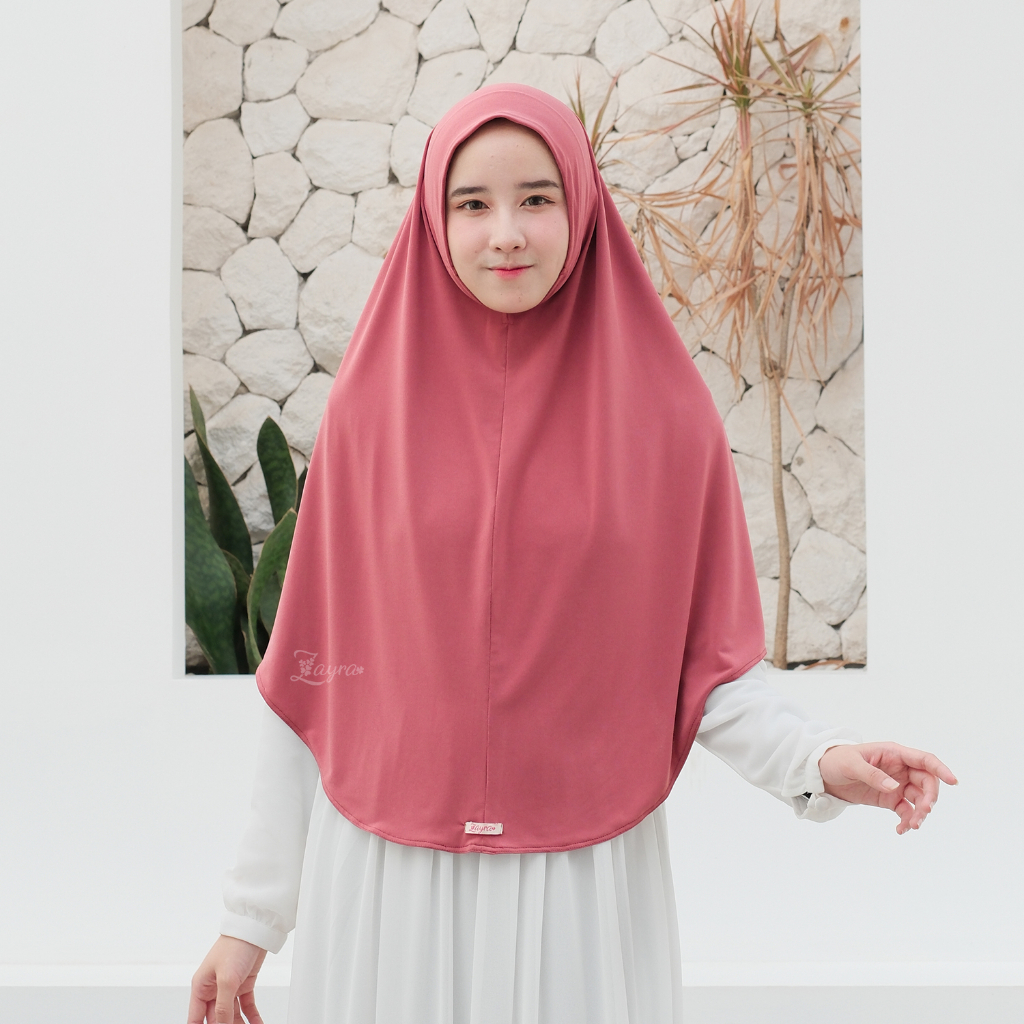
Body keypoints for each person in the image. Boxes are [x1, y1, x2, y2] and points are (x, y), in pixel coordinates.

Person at [187, 85, 956, 1024]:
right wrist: (251, 916)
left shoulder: (668, 420)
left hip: (579, 888)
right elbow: (313, 675)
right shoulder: (366, 414)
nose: (505, 232)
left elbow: (706, 668)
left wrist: (819, 759)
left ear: (584, 207)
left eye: (537, 198)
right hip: (388, 881)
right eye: (472, 203)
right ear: (433, 218)